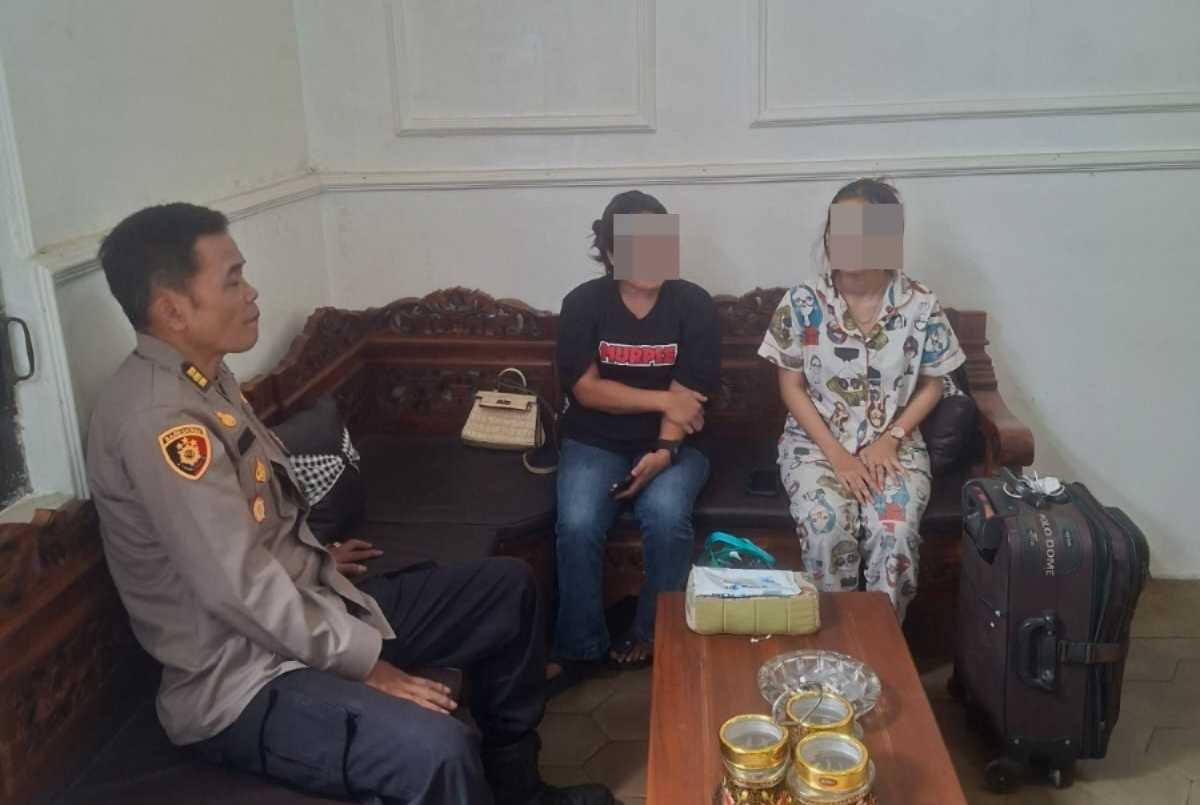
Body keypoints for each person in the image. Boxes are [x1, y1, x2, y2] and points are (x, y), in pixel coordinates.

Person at [85, 202, 612, 805]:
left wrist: (312, 557)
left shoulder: (206, 379)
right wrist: (370, 668)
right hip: (244, 679)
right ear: (172, 310)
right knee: (437, 750)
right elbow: (239, 591)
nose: (252, 292)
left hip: (304, 612)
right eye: (232, 280)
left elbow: (239, 535)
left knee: (506, 589)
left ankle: (520, 793)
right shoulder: (161, 421)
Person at [757, 179, 965, 621]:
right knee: (827, 528)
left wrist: (893, 437)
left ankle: (881, 644)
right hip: (815, 445)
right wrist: (837, 457)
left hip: (894, 447)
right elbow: (791, 386)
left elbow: (933, 384)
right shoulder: (802, 302)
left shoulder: (920, 304)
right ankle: (836, 640)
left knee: (895, 532)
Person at [550, 190, 719, 677]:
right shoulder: (583, 303)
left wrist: (664, 450)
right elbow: (586, 390)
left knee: (667, 517)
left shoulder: (693, 304)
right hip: (594, 440)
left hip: (677, 443)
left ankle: (652, 634)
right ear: (610, 252)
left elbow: (689, 395)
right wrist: (663, 400)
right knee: (577, 523)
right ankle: (580, 646)